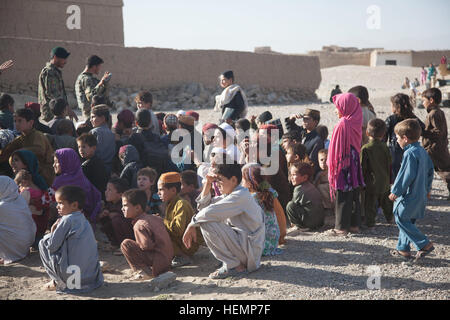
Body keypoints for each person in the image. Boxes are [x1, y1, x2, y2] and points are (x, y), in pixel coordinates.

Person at [183, 162, 264, 279]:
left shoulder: (241, 195)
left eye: (220, 180)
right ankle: (234, 262)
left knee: (205, 222)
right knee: (203, 218)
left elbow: (207, 213)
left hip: (250, 252)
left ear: (233, 180)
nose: (218, 184)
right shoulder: (230, 194)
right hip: (244, 247)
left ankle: (234, 266)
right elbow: (203, 208)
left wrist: (191, 224)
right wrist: (208, 184)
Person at [39, 185, 103, 292]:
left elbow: (51, 246)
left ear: (74, 205)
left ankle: (57, 281)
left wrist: (53, 230)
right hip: (90, 277)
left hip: (73, 280)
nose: (57, 206)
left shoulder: (67, 220)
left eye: (60, 203)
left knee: (44, 242)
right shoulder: (83, 219)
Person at [389, 119, 435, 261]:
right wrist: (428, 189)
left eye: (397, 138)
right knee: (409, 221)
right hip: (420, 194)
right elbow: (430, 171)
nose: (397, 141)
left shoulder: (409, 154)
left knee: (400, 217)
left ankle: (424, 243)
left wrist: (396, 191)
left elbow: (405, 175)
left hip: (410, 195)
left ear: (405, 138)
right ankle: (403, 249)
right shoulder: (422, 151)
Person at [327, 93, 365, 236]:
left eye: (337, 107)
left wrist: (332, 166)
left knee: (342, 194)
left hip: (343, 163)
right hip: (354, 161)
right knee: (354, 193)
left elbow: (337, 149)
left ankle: (341, 228)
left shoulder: (343, 123)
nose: (335, 111)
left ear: (345, 107)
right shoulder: (356, 120)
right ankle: (355, 225)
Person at [120, 189, 173, 280]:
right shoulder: (154, 218)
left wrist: (138, 246)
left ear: (137, 208)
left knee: (126, 244)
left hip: (158, 263)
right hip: (168, 260)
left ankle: (143, 272)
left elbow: (146, 246)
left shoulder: (139, 224)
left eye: (125, 206)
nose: (122, 209)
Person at [0, 108, 55, 186]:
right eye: (15, 121)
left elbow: (40, 151)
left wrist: (20, 152)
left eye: (20, 121)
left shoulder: (38, 135)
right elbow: (5, 152)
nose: (16, 124)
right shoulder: (20, 138)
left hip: (45, 175)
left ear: (31, 122)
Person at [157, 172, 202, 267]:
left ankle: (182, 256)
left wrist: (161, 221)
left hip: (187, 245)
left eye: (161, 190)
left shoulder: (181, 204)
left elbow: (177, 230)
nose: (158, 193)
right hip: (179, 241)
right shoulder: (170, 203)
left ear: (173, 190)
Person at [52, 148, 102, 224]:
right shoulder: (81, 177)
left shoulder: (60, 181)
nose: (53, 165)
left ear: (66, 162)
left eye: (57, 162)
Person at [242, 163, 284, 254]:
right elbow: (280, 214)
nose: (242, 182)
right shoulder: (271, 192)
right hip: (273, 241)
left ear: (249, 183)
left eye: (243, 179)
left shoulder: (251, 198)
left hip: (262, 245)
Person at [360, 119, 394, 228]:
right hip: (384, 180)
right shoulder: (385, 147)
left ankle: (370, 223)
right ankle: (391, 218)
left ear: (367, 133)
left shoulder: (365, 148)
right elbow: (389, 163)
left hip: (371, 183)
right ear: (383, 134)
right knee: (387, 202)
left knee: (370, 203)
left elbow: (362, 167)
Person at [385, 93, 425, 179]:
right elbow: (423, 130)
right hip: (412, 148)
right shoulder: (413, 118)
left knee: (397, 173)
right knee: (410, 172)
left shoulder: (391, 119)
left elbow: (383, 137)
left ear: (396, 107)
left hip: (395, 150)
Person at [421, 88, 450, 199]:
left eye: (424, 100)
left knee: (445, 171)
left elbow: (438, 131)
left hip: (435, 149)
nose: (423, 103)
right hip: (436, 147)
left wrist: (424, 132)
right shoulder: (438, 112)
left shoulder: (434, 114)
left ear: (431, 100)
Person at [0, 176, 36, 265]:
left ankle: (10, 255)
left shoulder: (3, 206)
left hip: (17, 248)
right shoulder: (20, 199)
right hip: (27, 243)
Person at [38, 47, 77, 122]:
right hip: (51, 114)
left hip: (57, 113)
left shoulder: (55, 72)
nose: (65, 61)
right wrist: (67, 108)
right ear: (55, 57)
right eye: (64, 58)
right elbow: (53, 93)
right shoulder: (50, 72)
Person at [98, 177, 134, 255]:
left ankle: (127, 246)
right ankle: (115, 244)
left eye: (109, 190)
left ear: (120, 194)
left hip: (131, 233)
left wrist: (118, 214)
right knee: (105, 219)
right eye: (106, 189)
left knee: (117, 220)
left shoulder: (126, 203)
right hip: (118, 230)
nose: (106, 192)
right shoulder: (110, 203)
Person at [14, 169, 50, 247]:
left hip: (32, 219)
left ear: (24, 182)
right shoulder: (38, 189)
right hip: (40, 218)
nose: (19, 187)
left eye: (20, 185)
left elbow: (21, 206)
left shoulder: (26, 192)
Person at [128, 109, 169, 175]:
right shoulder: (156, 137)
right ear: (150, 122)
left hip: (142, 174)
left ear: (136, 123)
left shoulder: (134, 138)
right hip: (157, 172)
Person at [286, 162, 324, 231]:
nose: (291, 177)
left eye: (294, 175)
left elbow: (294, 205)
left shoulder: (299, 189)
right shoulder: (310, 185)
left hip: (310, 222)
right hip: (320, 221)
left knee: (290, 205)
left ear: (304, 177)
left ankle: (299, 226)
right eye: (291, 175)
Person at [75, 55, 111, 119]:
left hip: (93, 113)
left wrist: (105, 83)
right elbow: (91, 97)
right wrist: (101, 83)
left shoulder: (89, 78)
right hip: (91, 114)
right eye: (99, 66)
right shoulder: (86, 79)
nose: (100, 69)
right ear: (94, 66)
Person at [90, 104, 116, 177]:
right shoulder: (111, 133)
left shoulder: (94, 132)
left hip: (96, 168)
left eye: (93, 117)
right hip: (109, 168)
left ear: (102, 118)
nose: (90, 120)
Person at [313, 149, 334, 215]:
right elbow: (315, 185)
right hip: (325, 198)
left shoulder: (333, 172)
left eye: (326, 160)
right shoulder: (319, 174)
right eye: (321, 160)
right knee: (320, 187)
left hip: (333, 195)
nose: (323, 162)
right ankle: (327, 209)